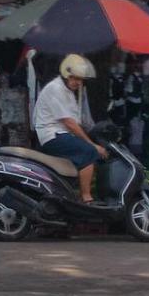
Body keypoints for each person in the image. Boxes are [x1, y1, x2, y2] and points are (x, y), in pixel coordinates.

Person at [32, 55, 105, 203]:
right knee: (88, 152)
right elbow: (69, 123)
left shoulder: (68, 92)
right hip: (52, 134)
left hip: (61, 133)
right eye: (75, 79)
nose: (78, 82)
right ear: (66, 76)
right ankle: (86, 198)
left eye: (80, 79)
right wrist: (92, 144)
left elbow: (76, 122)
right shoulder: (56, 88)